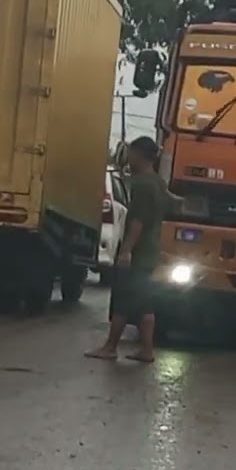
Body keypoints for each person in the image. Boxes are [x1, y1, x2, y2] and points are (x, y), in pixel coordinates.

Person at [86, 136, 170, 363]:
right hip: (151, 250)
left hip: (138, 252)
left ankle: (110, 347)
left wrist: (126, 251)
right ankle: (147, 350)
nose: (128, 157)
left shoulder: (142, 184)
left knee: (123, 300)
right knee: (144, 303)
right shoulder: (158, 183)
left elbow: (137, 221)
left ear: (140, 154)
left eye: (131, 152)